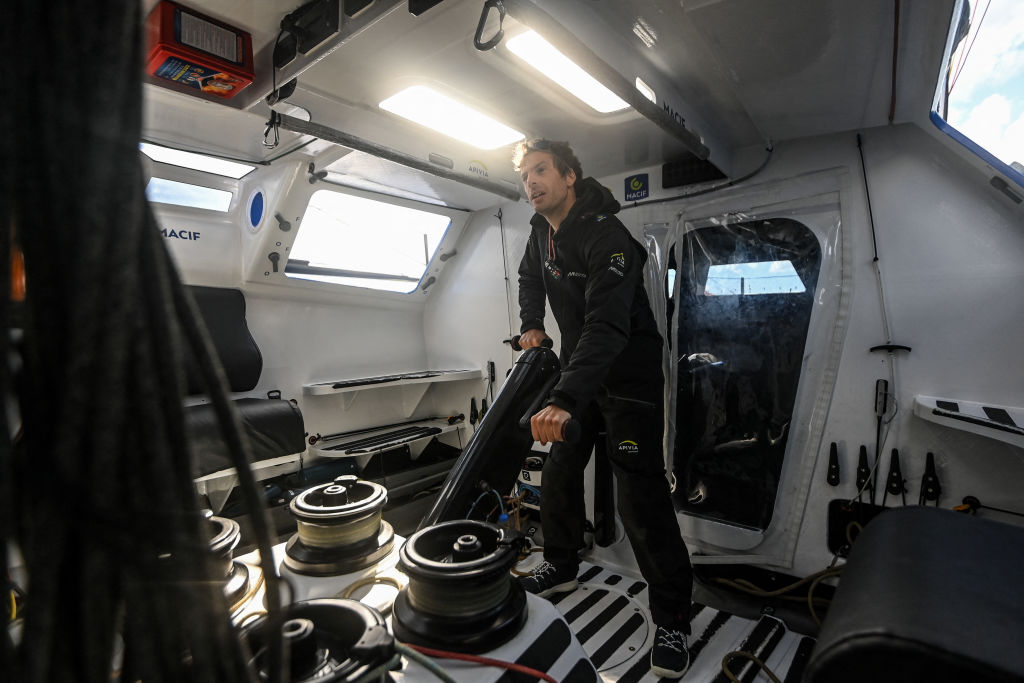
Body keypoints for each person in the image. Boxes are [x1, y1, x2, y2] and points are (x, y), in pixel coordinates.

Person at [512, 139, 694, 678]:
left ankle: (673, 618)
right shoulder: (538, 234)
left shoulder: (608, 237)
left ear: (569, 176)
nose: (531, 183)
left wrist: (565, 399)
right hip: (581, 371)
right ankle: (562, 564)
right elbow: (529, 279)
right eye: (525, 176)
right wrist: (531, 323)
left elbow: (607, 326)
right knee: (561, 469)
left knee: (640, 496)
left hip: (629, 378)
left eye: (541, 171)